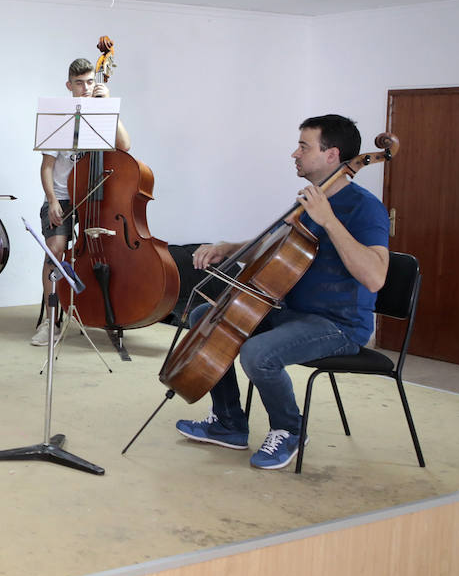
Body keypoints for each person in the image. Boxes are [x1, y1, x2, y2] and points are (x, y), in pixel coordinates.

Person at [175, 115, 390, 470]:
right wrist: (230, 248)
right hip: (291, 312)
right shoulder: (307, 203)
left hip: (339, 324)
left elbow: (375, 278)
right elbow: (274, 250)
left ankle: (290, 429)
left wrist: (329, 220)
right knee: (206, 317)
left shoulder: (365, 208)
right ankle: (229, 423)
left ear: (332, 155)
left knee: (259, 353)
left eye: (304, 146)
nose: (295, 153)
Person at [33, 58, 132, 345]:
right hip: (63, 196)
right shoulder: (59, 119)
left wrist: (110, 108)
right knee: (56, 248)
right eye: (79, 83)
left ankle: (107, 311)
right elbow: (47, 167)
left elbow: (124, 146)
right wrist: (52, 201)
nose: (86, 88)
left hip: (94, 199)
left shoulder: (102, 114)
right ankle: (51, 322)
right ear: (69, 86)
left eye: (90, 82)